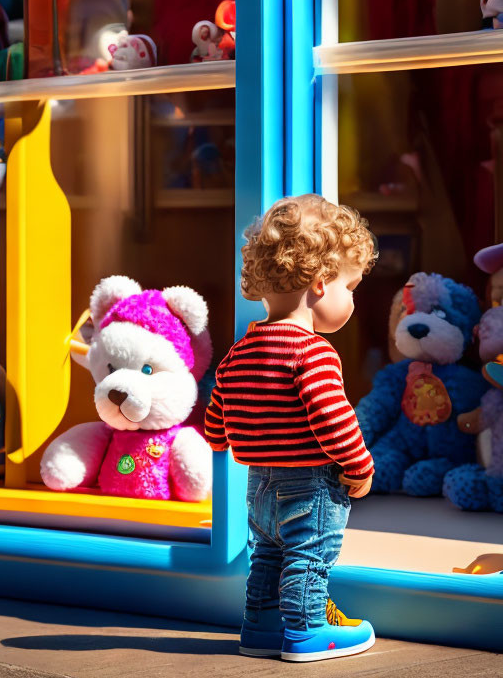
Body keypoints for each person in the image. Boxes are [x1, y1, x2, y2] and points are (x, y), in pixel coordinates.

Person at [205, 193, 377, 662]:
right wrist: (359, 466)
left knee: (267, 555)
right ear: (321, 284)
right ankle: (307, 632)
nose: (352, 299)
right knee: (309, 556)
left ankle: (260, 626)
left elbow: (218, 414)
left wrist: (221, 440)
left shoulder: (240, 351)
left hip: (258, 482)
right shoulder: (312, 352)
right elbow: (332, 415)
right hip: (310, 484)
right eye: (352, 287)